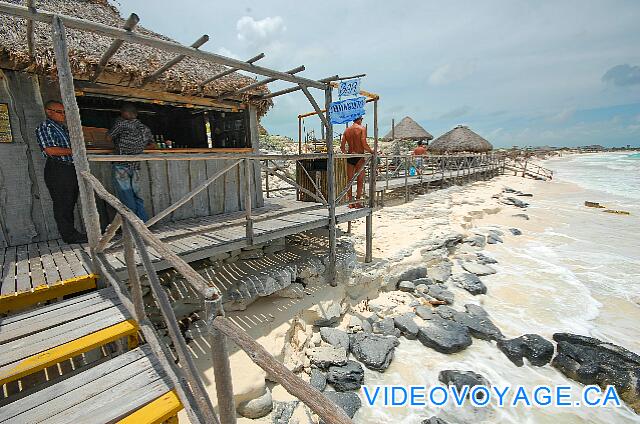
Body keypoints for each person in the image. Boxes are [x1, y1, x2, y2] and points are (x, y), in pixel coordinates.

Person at [36, 100, 88, 244]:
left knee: (70, 201)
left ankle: (72, 233)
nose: (63, 115)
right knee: (62, 203)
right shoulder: (45, 127)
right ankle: (69, 236)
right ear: (49, 112)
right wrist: (76, 151)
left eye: (64, 112)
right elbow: (50, 150)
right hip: (58, 168)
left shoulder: (62, 128)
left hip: (69, 168)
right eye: (60, 112)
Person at [107, 103, 153, 221]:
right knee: (137, 195)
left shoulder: (121, 123)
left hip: (122, 165)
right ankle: (143, 222)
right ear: (136, 114)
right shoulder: (144, 128)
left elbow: (108, 138)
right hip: (136, 166)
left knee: (126, 196)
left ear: (124, 113)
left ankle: (132, 224)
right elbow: (152, 144)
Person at [340, 116, 374, 208]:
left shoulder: (347, 130)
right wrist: (371, 151)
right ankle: (358, 201)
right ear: (360, 119)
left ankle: (350, 202)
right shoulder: (362, 128)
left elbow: (342, 146)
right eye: (362, 119)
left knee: (349, 181)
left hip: (350, 156)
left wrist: (346, 153)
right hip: (359, 156)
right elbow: (364, 143)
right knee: (360, 180)